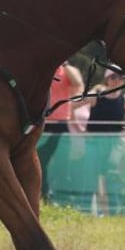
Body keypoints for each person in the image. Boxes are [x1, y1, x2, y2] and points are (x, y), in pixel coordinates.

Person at [86, 69, 125, 214]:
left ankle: (112, 211)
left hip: (115, 146)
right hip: (94, 144)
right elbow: (72, 105)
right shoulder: (96, 94)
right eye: (113, 77)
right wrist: (78, 129)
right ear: (107, 79)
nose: (117, 80)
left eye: (121, 77)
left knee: (113, 177)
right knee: (94, 177)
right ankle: (95, 211)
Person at [37, 62, 83, 201]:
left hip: (61, 124)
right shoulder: (43, 68)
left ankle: (59, 195)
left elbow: (77, 83)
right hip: (42, 122)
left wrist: (65, 64)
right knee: (41, 160)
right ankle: (45, 192)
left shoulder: (67, 70)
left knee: (62, 162)